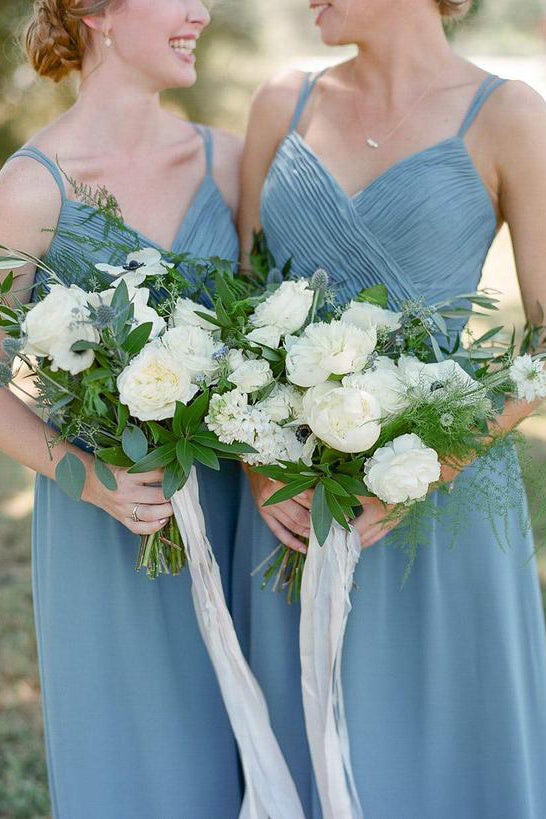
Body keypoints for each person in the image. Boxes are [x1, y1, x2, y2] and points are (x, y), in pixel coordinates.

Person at [234, 0, 546, 815]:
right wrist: (257, 462)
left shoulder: (509, 114)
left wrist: (427, 466)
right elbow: (233, 305)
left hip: (442, 501)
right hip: (289, 503)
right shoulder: (283, 100)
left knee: (445, 757)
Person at [0, 1, 244, 816]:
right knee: (139, 772)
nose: (200, 12)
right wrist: (88, 477)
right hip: (111, 520)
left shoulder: (234, 163)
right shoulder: (31, 187)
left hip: (244, 506)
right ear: (99, 13)